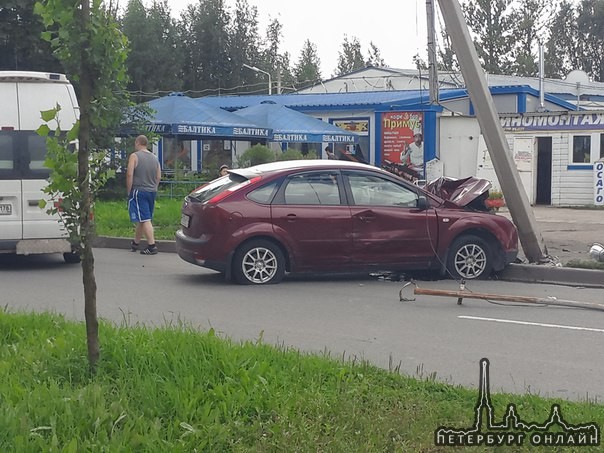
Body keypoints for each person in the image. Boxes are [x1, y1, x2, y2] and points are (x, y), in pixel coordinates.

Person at [126, 135, 161, 255]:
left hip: (139, 191)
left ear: (137, 142)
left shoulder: (134, 156)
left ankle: (152, 246)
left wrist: (129, 190)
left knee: (145, 219)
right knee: (143, 218)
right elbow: (158, 176)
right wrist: (154, 187)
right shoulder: (155, 157)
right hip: (151, 191)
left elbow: (130, 174)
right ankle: (135, 243)